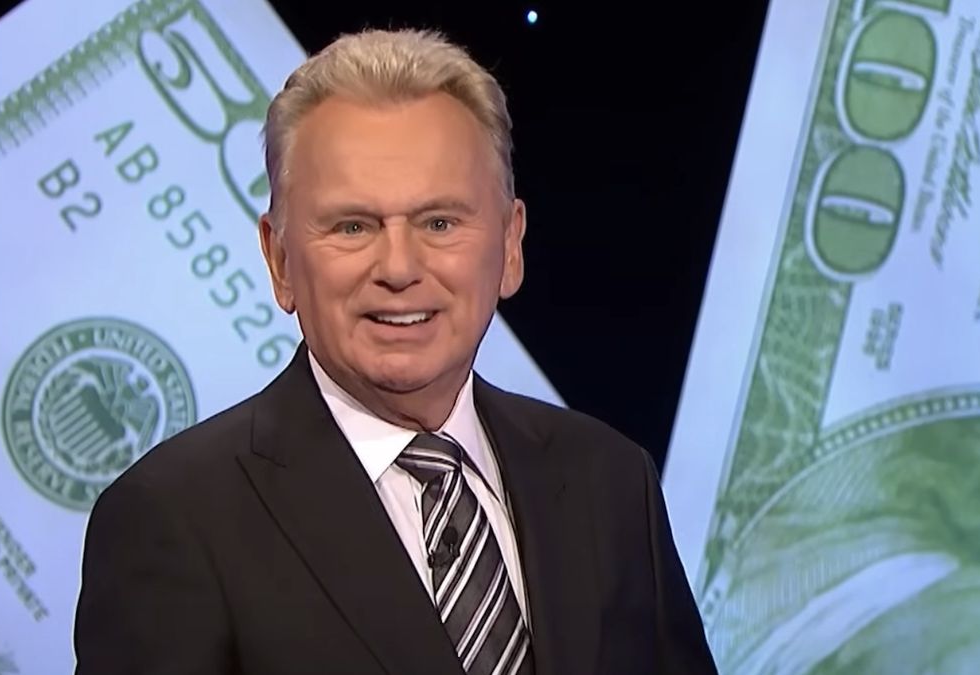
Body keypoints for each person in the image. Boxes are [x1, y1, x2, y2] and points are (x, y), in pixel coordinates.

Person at [73, 27, 718, 675]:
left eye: (440, 222)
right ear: (280, 260)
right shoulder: (173, 519)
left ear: (510, 245)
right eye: (353, 226)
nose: (400, 267)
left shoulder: (610, 480)